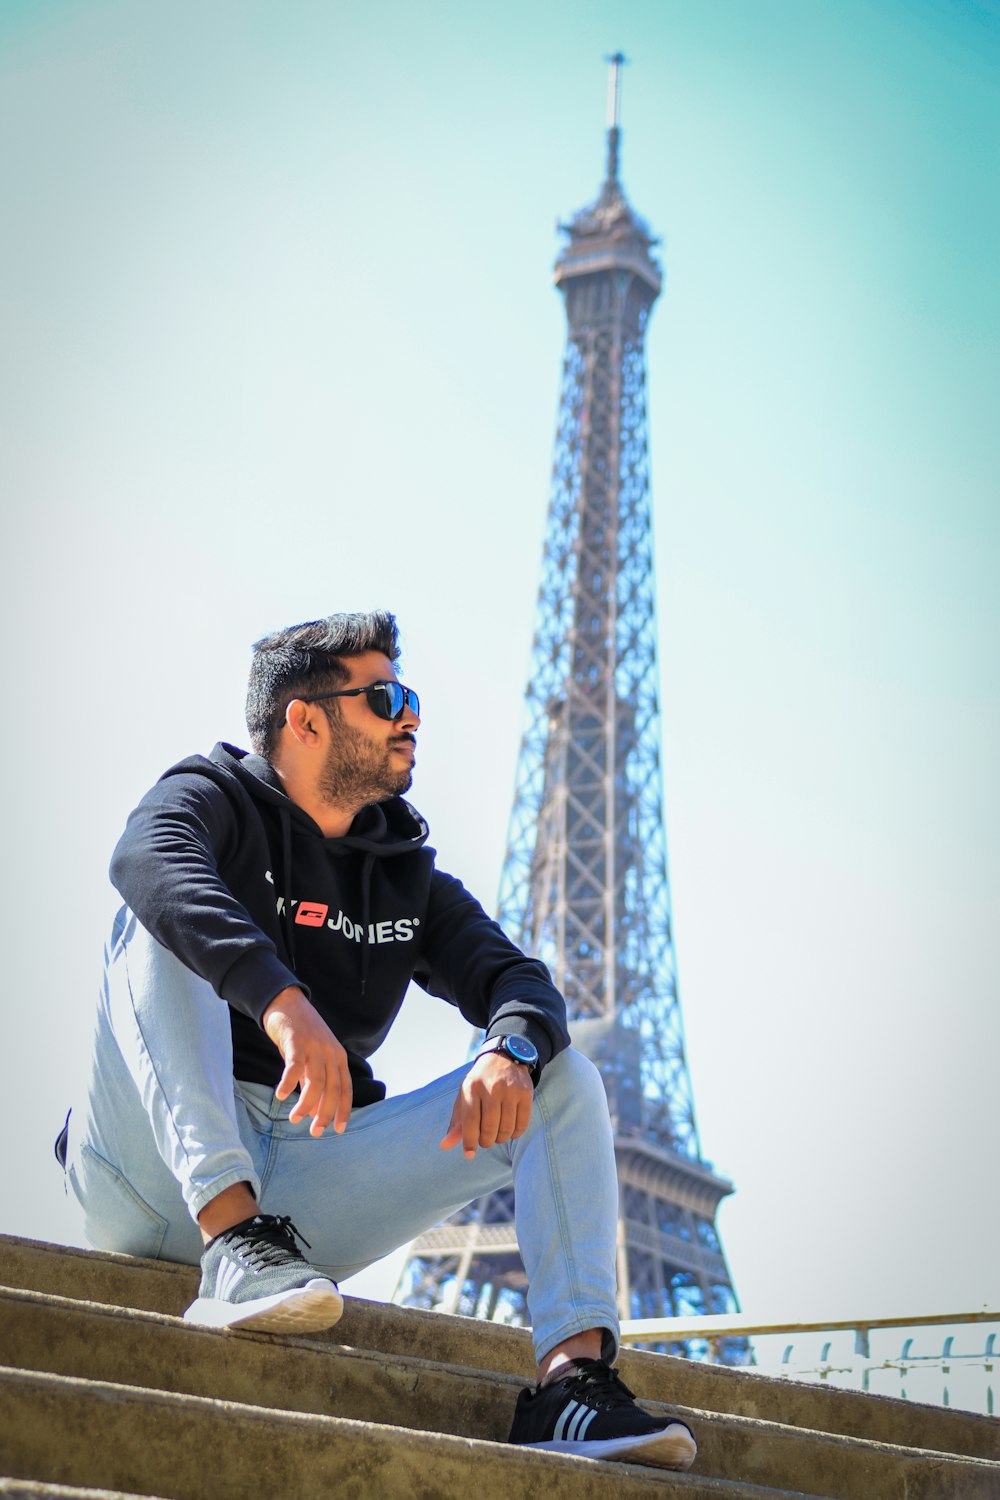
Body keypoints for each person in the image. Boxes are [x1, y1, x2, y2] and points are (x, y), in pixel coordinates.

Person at [58, 610, 697, 1472]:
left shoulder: (403, 874)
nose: (411, 718)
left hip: (306, 1174)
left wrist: (507, 1050)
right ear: (307, 719)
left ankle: (570, 1386)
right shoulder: (209, 801)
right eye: (386, 697)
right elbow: (148, 861)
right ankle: (232, 1242)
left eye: (414, 700)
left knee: (560, 1074)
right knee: (155, 922)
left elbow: (521, 981)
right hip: (154, 1172)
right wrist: (280, 1000)